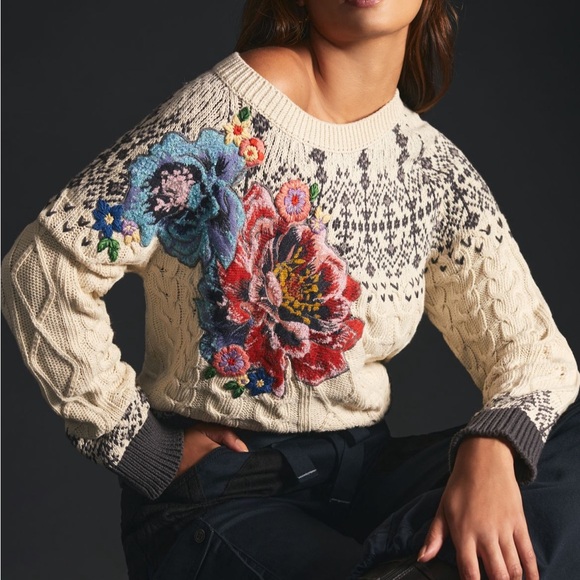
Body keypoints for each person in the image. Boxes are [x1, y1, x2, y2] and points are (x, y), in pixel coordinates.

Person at [2, 0, 579, 579]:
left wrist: (494, 448)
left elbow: (535, 355)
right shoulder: (228, 116)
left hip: (362, 477)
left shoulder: (433, 172)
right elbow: (44, 269)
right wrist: (139, 447)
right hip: (225, 495)